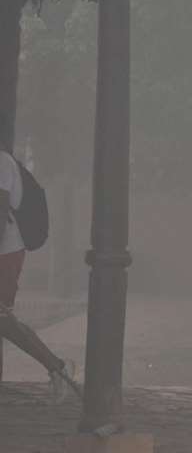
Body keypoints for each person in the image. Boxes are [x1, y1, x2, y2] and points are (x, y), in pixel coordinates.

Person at [0, 114, 76, 403]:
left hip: (5, 252)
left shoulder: (2, 162)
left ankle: (57, 367)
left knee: (2, 320)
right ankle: (57, 367)